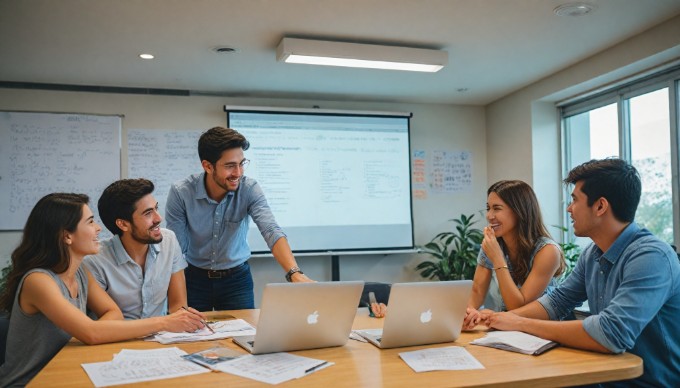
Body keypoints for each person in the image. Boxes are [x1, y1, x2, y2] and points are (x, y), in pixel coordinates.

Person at [486, 159, 680, 386]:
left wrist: (520, 323)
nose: (569, 209)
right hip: (604, 377)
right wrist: (500, 318)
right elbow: (557, 301)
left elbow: (611, 333)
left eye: (574, 200)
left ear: (600, 206)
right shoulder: (593, 253)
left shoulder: (651, 257)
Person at [0, 193, 206, 386]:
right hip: (33, 382)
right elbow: (91, 332)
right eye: (90, 222)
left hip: (69, 372)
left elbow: (113, 313)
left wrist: (93, 332)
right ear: (67, 236)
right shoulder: (39, 281)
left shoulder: (80, 272)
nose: (98, 228)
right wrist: (164, 322)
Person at [165, 127, 313, 311]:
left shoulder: (249, 188)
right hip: (194, 278)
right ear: (208, 166)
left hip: (236, 280)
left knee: (242, 336)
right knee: (191, 337)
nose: (238, 172)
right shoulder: (181, 193)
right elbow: (176, 249)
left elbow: (271, 230)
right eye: (230, 166)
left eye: (241, 163)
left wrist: (294, 272)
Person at [462, 180, 565, 329]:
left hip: (545, 331)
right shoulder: (492, 244)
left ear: (519, 211)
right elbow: (477, 290)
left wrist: (497, 258)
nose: (489, 216)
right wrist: (468, 313)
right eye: (488, 208)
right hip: (508, 327)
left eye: (497, 208)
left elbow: (517, 305)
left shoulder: (547, 251)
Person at [84, 178, 188, 319]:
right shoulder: (95, 261)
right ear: (123, 224)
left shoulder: (169, 240)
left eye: (156, 208)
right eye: (148, 213)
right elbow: (107, 323)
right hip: (119, 338)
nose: (158, 218)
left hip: (162, 336)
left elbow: (178, 307)